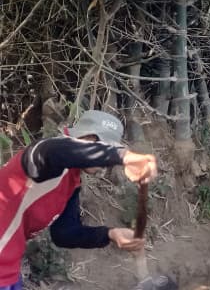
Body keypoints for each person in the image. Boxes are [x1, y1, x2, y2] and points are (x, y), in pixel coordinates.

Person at [0, 111, 158, 290]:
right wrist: (124, 156)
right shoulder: (44, 157)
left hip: (8, 269)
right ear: (83, 138)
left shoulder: (72, 182)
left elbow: (64, 234)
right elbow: (59, 150)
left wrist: (110, 234)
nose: (103, 160)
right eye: (99, 144)